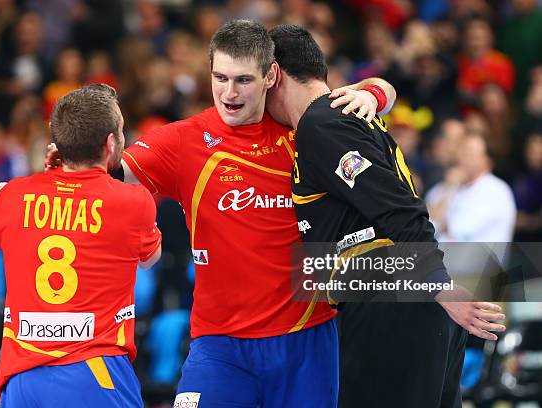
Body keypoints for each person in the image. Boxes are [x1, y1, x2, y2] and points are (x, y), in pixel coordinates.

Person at [48, 20, 397, 407]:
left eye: (243, 80)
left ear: (271, 76)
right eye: (220, 77)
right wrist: (71, 165)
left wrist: (375, 94)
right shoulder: (183, 140)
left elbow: (381, 90)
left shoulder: (306, 131)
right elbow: (109, 174)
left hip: (307, 337)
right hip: (219, 347)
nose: (229, 93)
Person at [265, 24, 506, 408]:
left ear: (273, 74)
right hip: (407, 295)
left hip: (390, 295)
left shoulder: (320, 123)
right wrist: (379, 91)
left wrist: (438, 285)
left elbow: (398, 207)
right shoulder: (346, 113)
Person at [0, 84, 161, 407]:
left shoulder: (14, 194)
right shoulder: (134, 201)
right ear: (109, 144)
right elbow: (151, 257)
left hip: (22, 379)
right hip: (94, 371)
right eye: (120, 129)